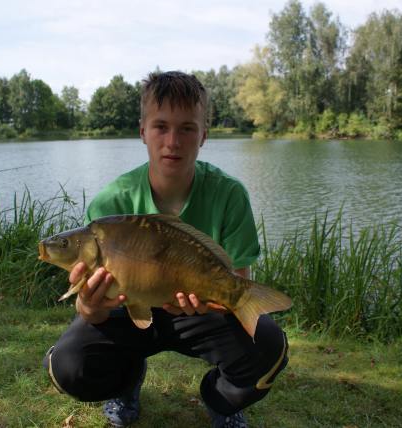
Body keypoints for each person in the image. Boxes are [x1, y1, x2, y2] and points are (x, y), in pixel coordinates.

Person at [43, 71, 288, 428]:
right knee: (68, 366)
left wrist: (211, 303)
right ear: (143, 131)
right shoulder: (111, 203)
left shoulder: (229, 194)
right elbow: (90, 310)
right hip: (126, 311)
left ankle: (221, 402)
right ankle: (125, 383)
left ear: (203, 135)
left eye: (187, 128)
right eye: (161, 127)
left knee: (269, 349)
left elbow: (237, 284)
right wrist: (89, 305)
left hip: (198, 310)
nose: (172, 141)